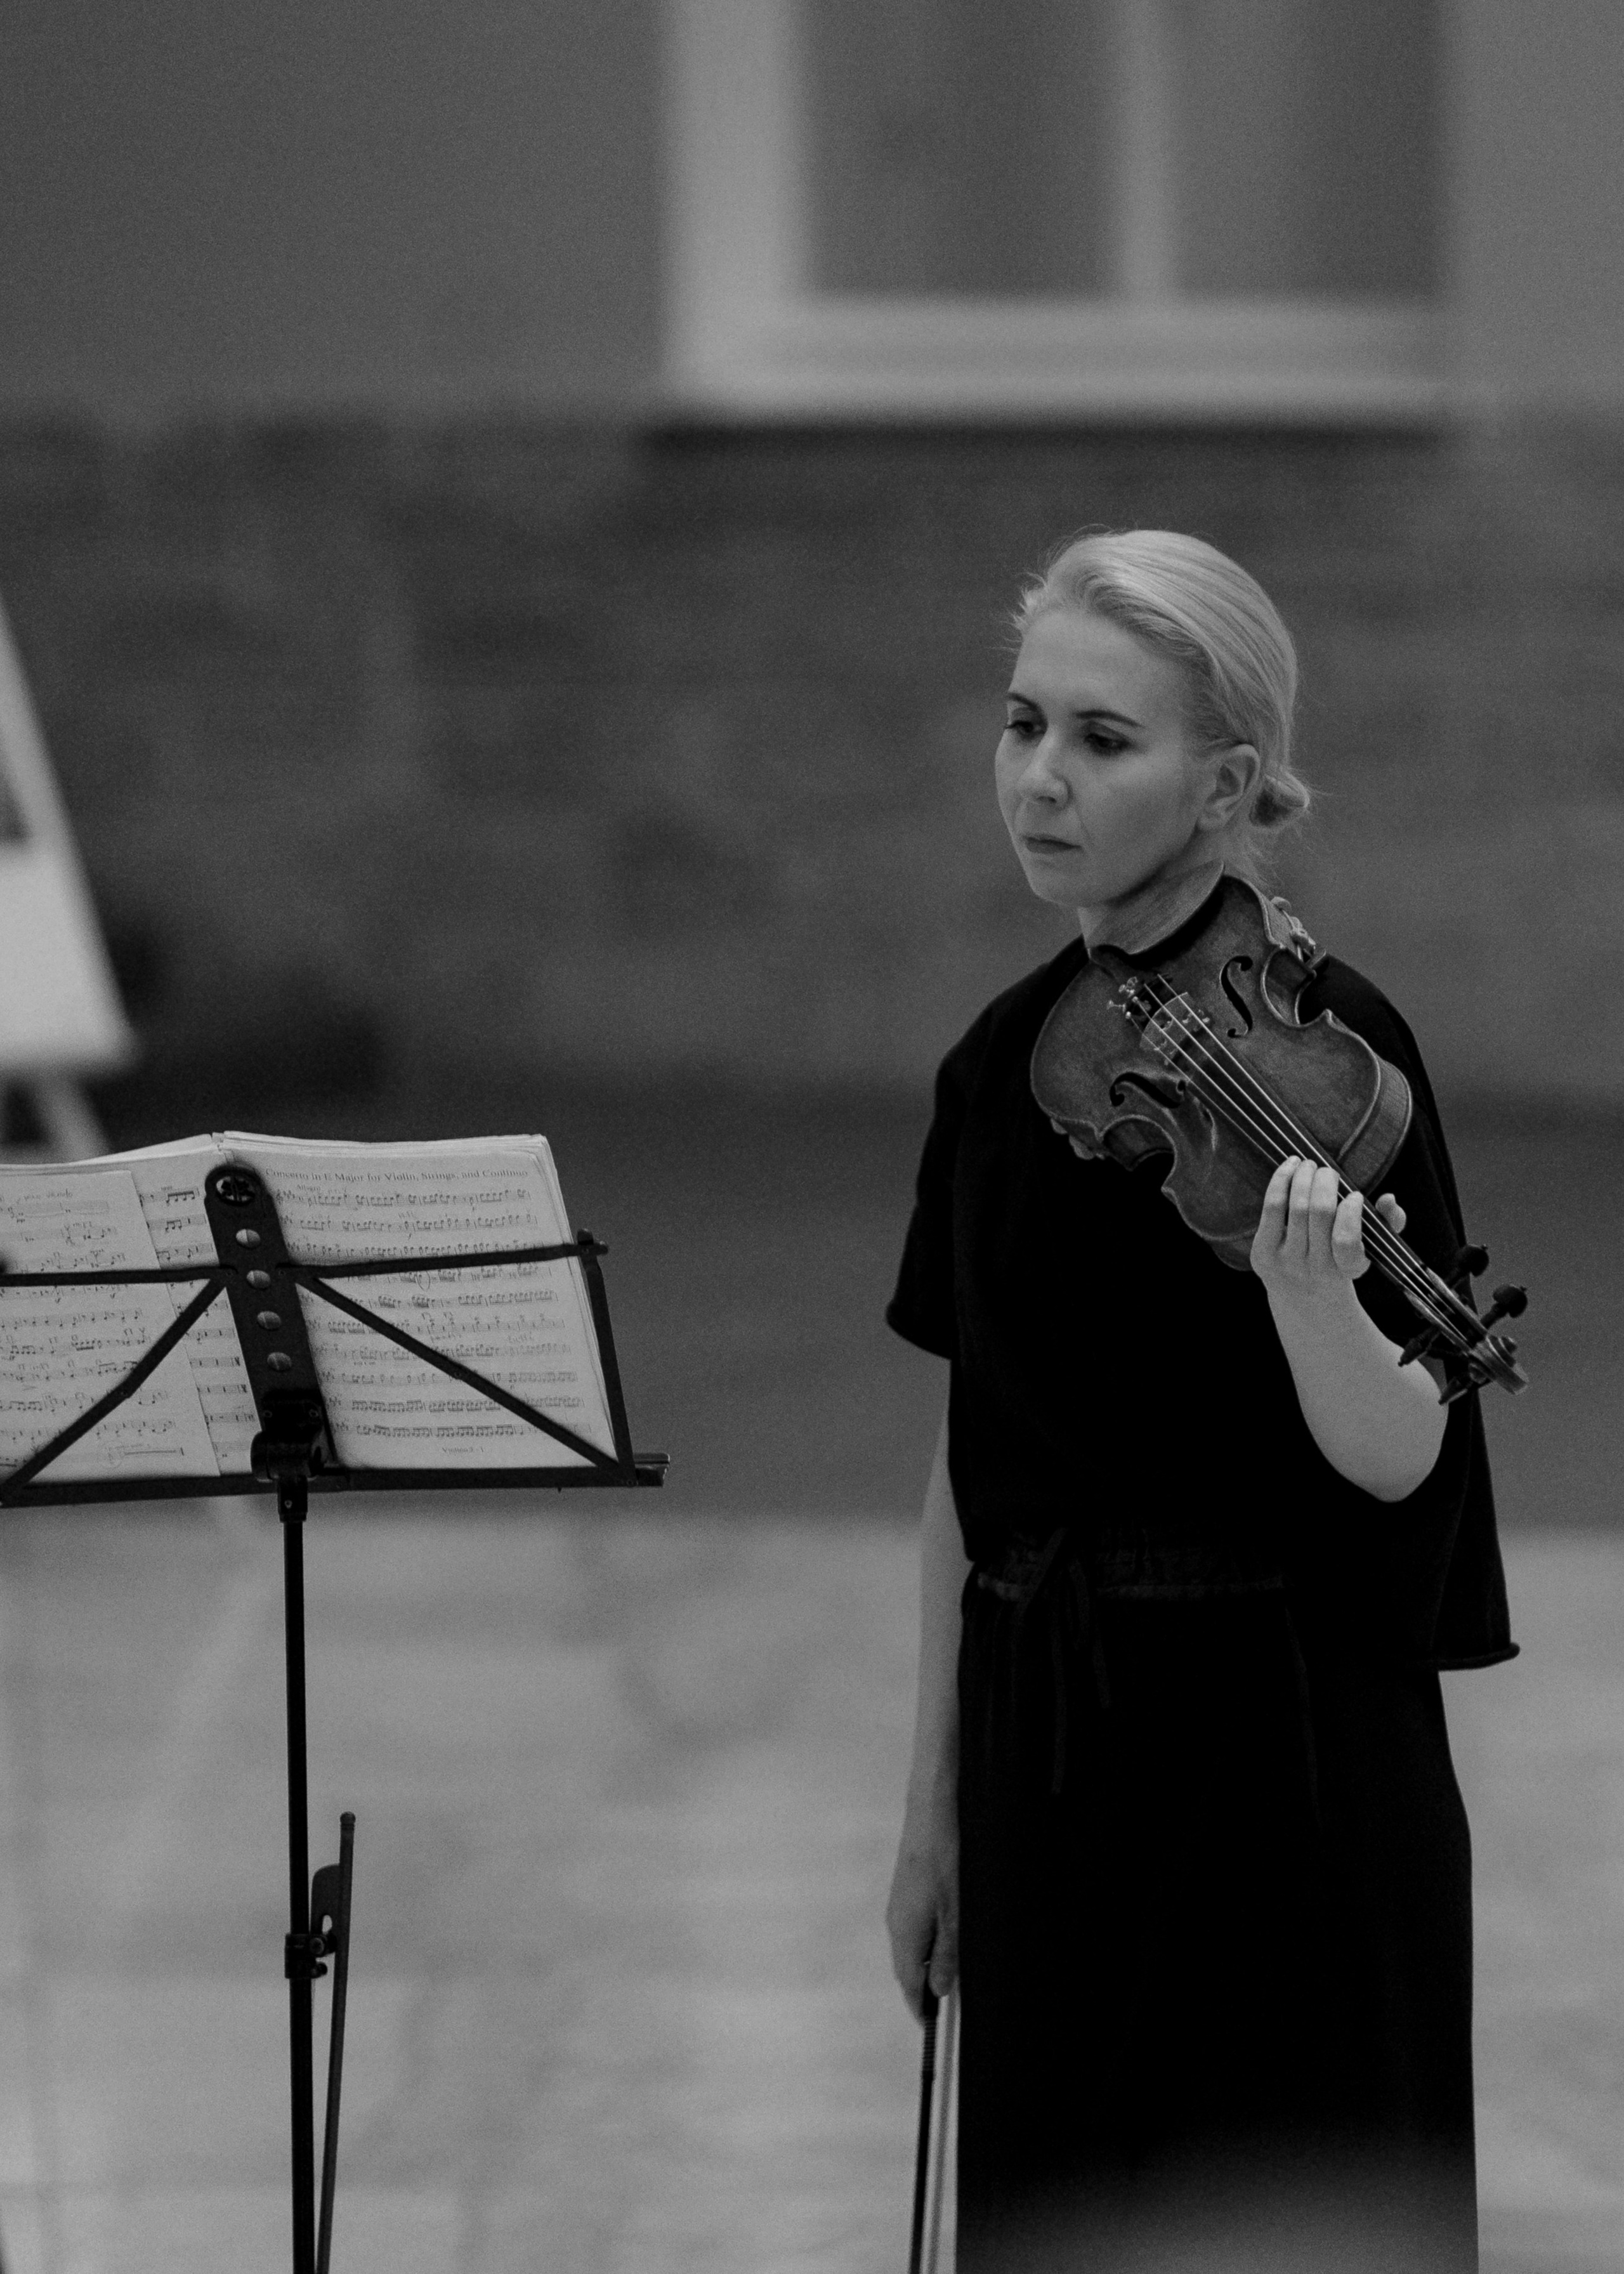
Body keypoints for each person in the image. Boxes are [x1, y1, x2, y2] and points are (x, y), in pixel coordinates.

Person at [884, 531, 1516, 2273]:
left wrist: (1319, 1304)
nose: (1040, 777)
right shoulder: (999, 1068)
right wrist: (934, 1809)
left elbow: (1411, 1459)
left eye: (1105, 739)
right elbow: (973, 1465)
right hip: (1051, 1757)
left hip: (1286, 1767)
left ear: (1231, 780)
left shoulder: (1341, 1054)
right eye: (1024, 724)